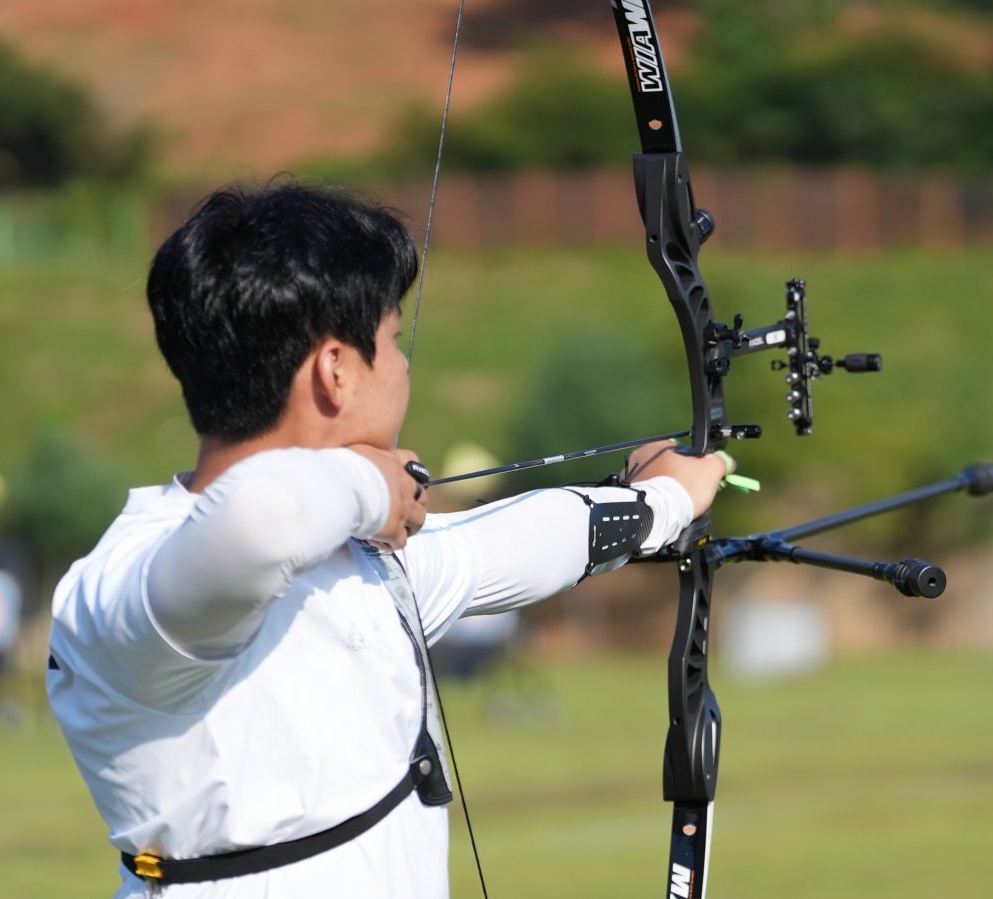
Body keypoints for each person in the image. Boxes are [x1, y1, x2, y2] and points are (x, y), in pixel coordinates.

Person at [46, 183, 729, 898]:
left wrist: (661, 498)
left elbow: (493, 548)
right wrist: (367, 482)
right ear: (336, 370)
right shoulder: (128, 587)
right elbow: (259, 523)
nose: (404, 367)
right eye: (394, 341)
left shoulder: (356, 563)